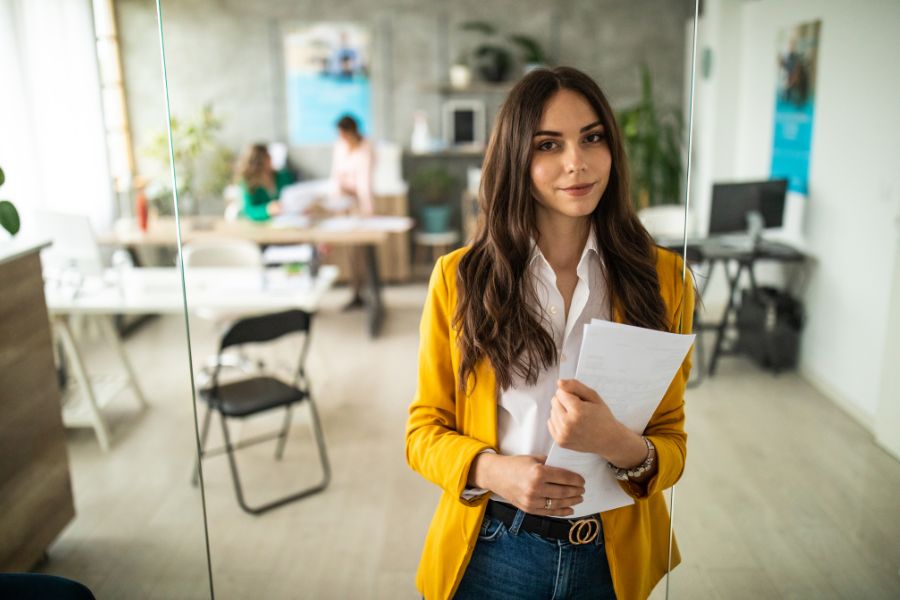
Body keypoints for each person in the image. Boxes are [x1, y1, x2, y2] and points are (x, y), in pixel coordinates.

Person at [405, 66, 694, 600]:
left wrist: (618, 444)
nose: (576, 162)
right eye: (548, 145)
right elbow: (424, 432)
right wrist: (493, 471)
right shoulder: (461, 278)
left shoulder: (665, 281)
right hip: (494, 547)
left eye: (592, 137)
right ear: (516, 158)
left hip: (613, 555)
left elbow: (672, 440)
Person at [330, 114, 374, 310]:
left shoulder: (366, 149)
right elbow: (335, 175)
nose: (342, 138)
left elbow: (364, 184)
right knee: (349, 252)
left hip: (359, 205)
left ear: (352, 131)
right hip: (341, 204)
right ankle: (355, 293)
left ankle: (362, 293)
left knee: (360, 252)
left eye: (344, 134)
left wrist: (368, 211)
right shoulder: (339, 146)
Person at [235, 143, 295, 221]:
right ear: (257, 162)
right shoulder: (248, 183)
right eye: (267, 156)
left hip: (285, 221)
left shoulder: (283, 176)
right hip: (261, 227)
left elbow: (294, 196)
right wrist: (267, 210)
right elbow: (248, 210)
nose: (271, 158)